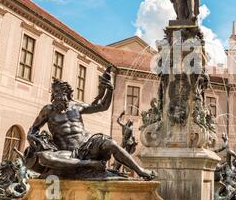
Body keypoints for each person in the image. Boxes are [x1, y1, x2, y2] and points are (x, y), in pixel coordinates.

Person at [26, 77, 155, 180]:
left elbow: (102, 106)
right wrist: (32, 138)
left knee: (111, 143)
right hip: (66, 154)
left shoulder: (77, 107)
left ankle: (140, 171)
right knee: (44, 157)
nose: (57, 96)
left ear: (67, 94)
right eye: (55, 93)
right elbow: (33, 129)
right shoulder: (48, 110)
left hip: (87, 146)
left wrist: (109, 90)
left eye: (60, 92)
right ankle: (89, 164)